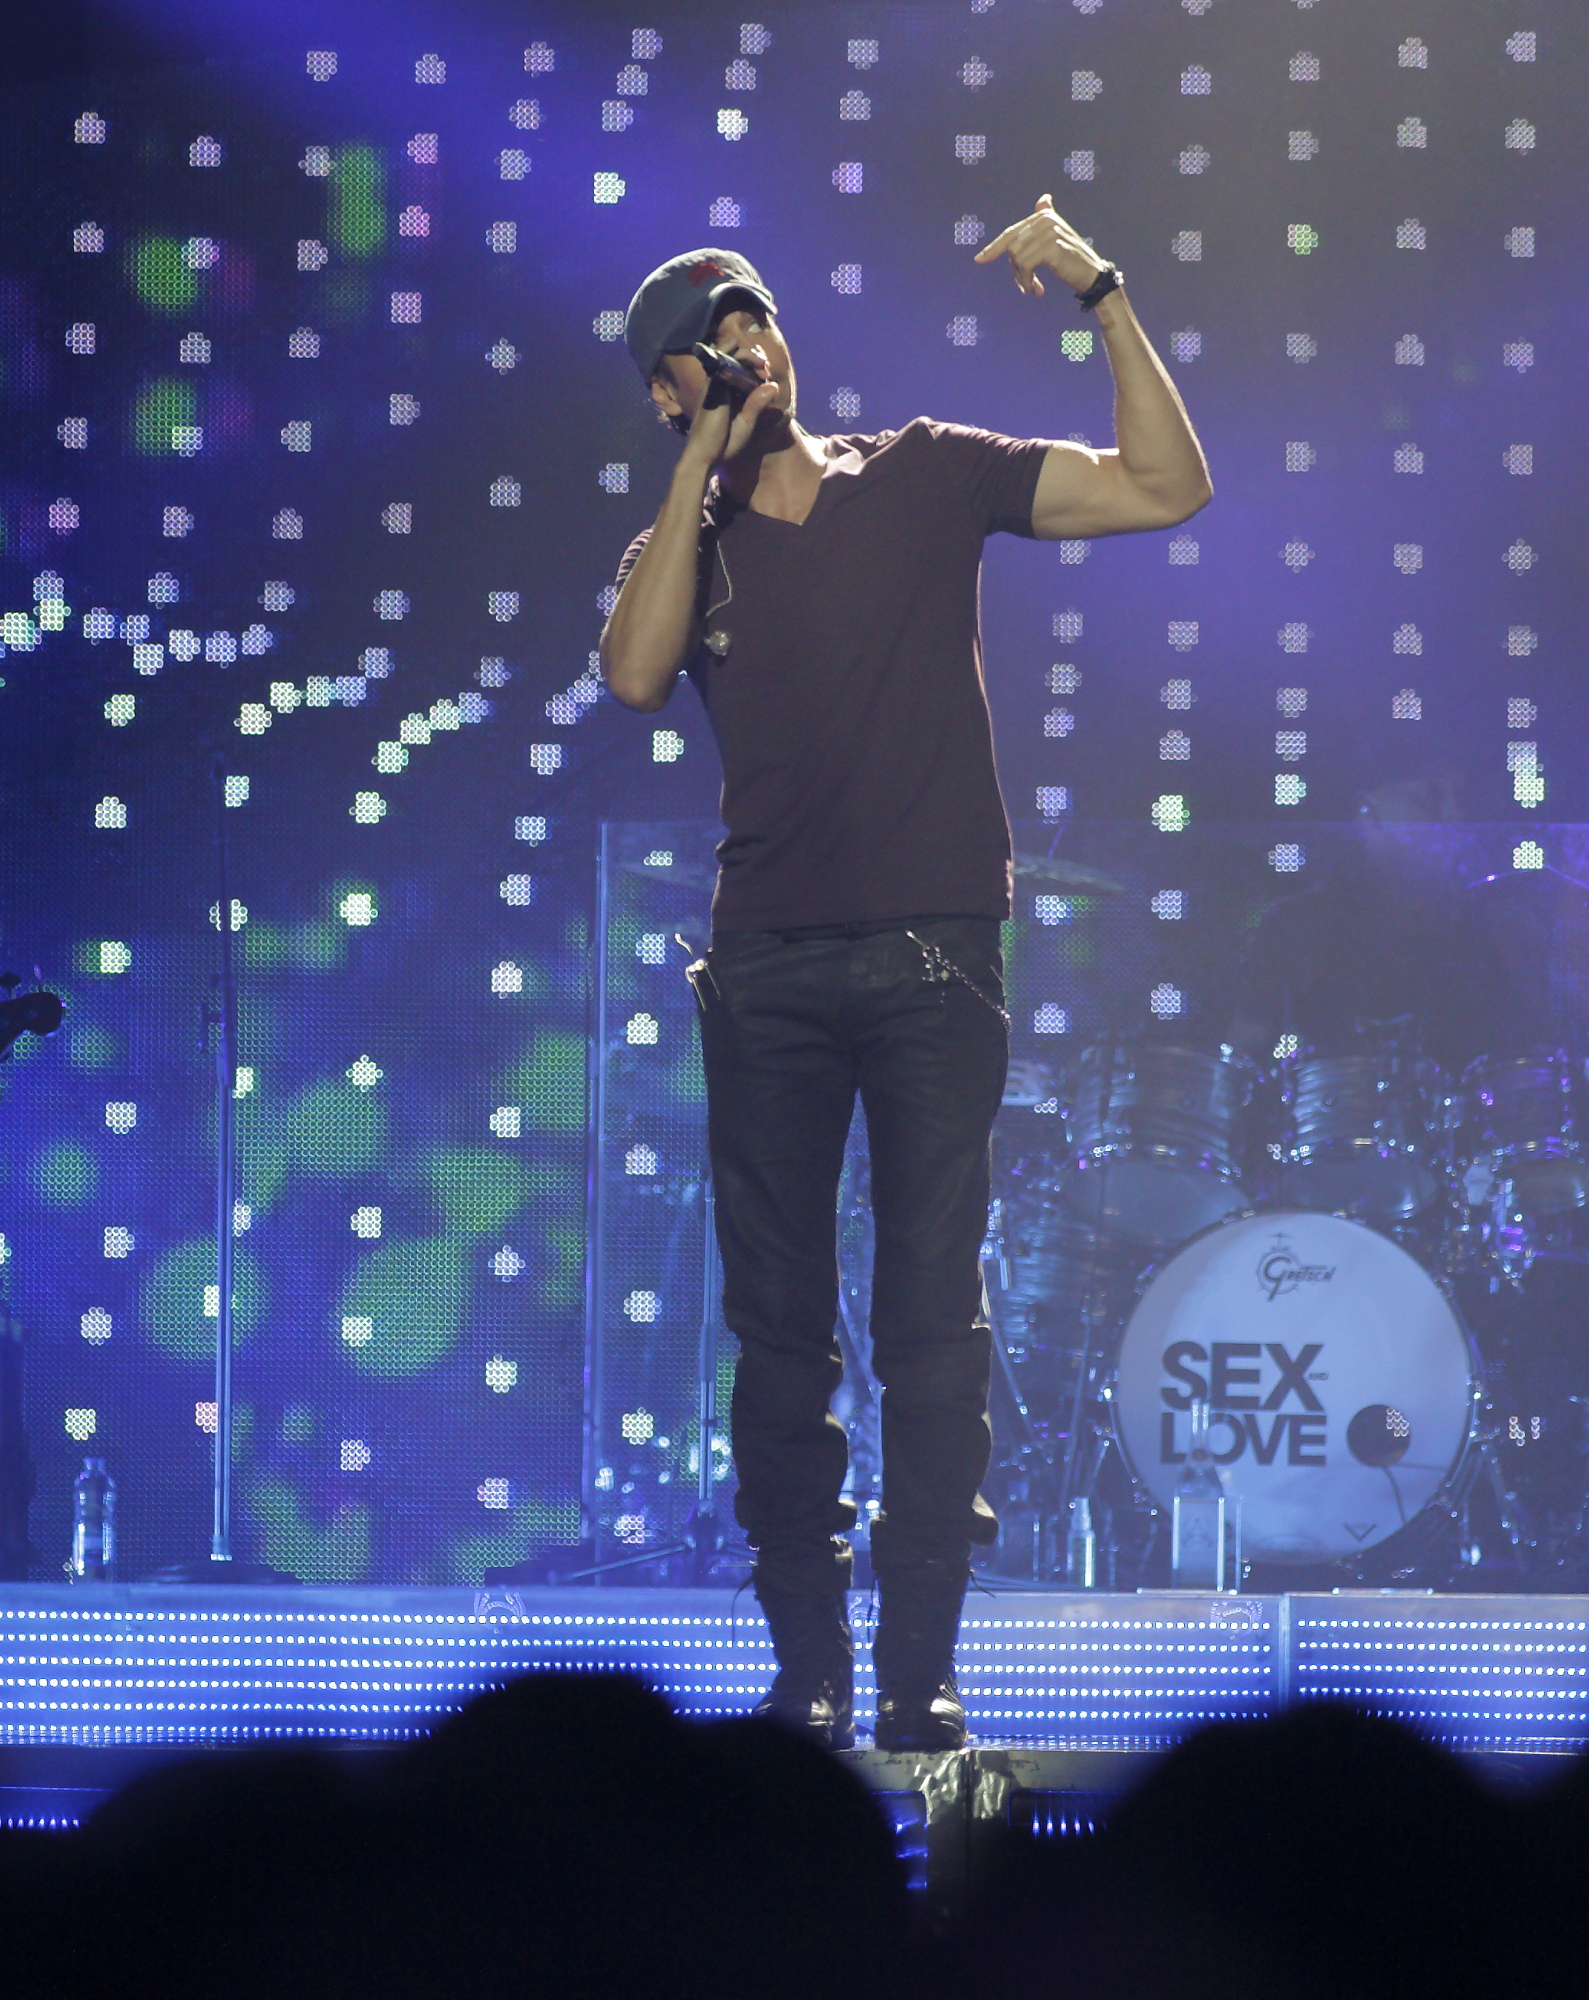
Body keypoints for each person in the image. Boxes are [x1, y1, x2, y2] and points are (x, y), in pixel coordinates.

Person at [600, 199, 1210, 1749]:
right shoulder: (683, 547)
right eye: (715, 341)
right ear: (670, 387)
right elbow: (635, 673)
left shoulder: (923, 469)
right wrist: (695, 470)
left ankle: (919, 1667)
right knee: (780, 1333)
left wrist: (1105, 291)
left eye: (760, 319)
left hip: (936, 957)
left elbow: (1165, 485)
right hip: (769, 972)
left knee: (935, 1324)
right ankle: (806, 1670)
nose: (753, 346)